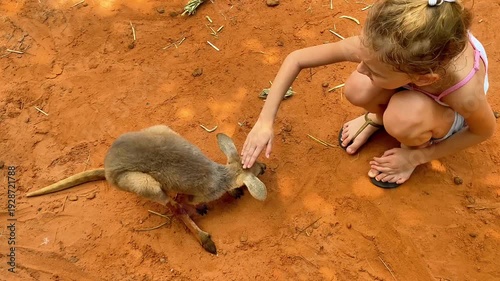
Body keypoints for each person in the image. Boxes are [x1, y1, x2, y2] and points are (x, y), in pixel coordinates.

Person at [240, 0, 496, 188]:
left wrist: (417, 156)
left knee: (405, 116)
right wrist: (264, 122)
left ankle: (414, 142)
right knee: (357, 87)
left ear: (422, 79)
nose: (360, 68)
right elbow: (296, 59)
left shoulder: (465, 93)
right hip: (405, 74)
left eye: (373, 68)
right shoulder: (383, 48)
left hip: (446, 108)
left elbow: (483, 130)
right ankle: (378, 117)